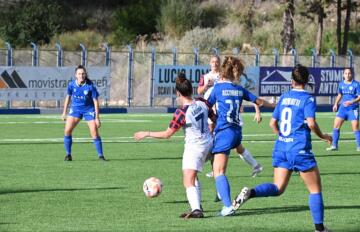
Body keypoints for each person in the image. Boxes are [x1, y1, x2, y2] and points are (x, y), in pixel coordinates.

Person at [232, 64, 332, 232]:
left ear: (292, 81)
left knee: (278, 188)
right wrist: (323, 136)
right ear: (307, 81)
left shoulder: (284, 97)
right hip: (299, 150)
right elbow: (311, 123)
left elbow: (272, 123)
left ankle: (251, 192)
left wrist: (284, 138)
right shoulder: (308, 99)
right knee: (315, 190)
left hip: (281, 148)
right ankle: (320, 229)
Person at [134, 72, 214, 219]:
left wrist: (146, 133)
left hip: (195, 147)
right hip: (209, 143)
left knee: (188, 179)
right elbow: (214, 118)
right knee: (193, 175)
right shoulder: (203, 102)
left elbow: (167, 134)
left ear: (178, 93)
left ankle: (197, 210)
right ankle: (196, 205)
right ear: (191, 90)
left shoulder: (181, 112)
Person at [206, 56, 275, 216]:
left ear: (222, 71)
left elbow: (206, 105)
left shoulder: (217, 88)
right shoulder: (239, 89)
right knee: (218, 169)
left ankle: (228, 206)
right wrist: (274, 105)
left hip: (225, 132)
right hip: (237, 132)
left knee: (219, 171)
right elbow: (259, 101)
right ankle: (222, 195)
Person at [198, 55, 263, 178]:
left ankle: (213, 169)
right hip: (215, 112)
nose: (215, 64)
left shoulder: (227, 78)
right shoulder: (207, 77)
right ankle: (255, 165)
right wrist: (206, 86)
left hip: (223, 115)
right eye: (212, 61)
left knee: (214, 141)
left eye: (217, 61)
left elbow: (250, 97)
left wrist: (257, 110)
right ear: (210, 63)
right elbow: (199, 91)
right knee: (235, 146)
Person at [62, 65, 105, 161]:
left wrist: (97, 118)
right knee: (67, 131)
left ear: (85, 75)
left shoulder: (90, 86)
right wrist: (64, 112)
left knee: (94, 132)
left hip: (89, 110)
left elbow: (95, 102)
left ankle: (101, 155)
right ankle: (68, 155)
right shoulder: (71, 85)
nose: (81, 75)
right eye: (79, 74)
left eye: (83, 73)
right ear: (75, 75)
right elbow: (68, 98)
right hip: (75, 110)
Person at [326, 67, 360, 151]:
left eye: (349, 73)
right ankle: (334, 146)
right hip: (343, 108)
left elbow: (359, 97)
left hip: (353, 108)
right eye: (346, 73)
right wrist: (335, 104)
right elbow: (340, 95)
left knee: (355, 127)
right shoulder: (341, 84)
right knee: (336, 125)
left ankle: (359, 146)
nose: (347, 75)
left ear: (352, 74)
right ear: (343, 75)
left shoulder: (356, 84)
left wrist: (352, 102)